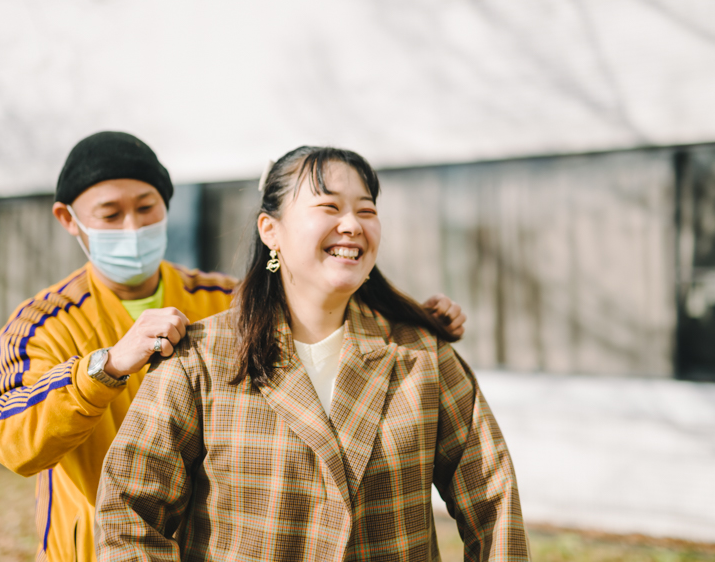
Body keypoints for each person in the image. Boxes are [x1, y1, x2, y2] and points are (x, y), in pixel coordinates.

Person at [0, 133, 468, 562]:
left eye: (146, 207)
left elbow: (316, 296)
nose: (132, 226)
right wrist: (104, 367)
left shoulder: (222, 301)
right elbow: (10, 438)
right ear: (69, 219)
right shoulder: (39, 324)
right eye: (110, 214)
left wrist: (407, 319)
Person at [96, 146, 529, 561]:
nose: (352, 225)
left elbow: (493, 499)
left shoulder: (421, 356)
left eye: (366, 210)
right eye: (329, 207)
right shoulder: (201, 357)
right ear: (271, 231)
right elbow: (128, 510)